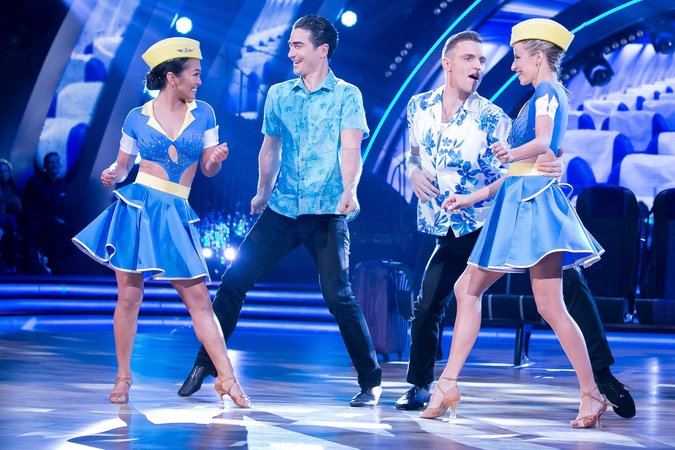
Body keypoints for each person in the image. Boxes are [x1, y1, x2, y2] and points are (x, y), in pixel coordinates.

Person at [398, 30, 635, 419]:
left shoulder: (506, 110)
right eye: (470, 58)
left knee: (550, 299)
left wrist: (538, 159)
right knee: (480, 297)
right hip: (477, 213)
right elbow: (416, 153)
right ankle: (439, 384)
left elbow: (542, 145)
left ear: (537, 57)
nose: (489, 66)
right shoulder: (419, 105)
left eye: (486, 59)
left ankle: (598, 383)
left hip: (516, 209)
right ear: (447, 63)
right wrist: (422, 175)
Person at [177, 14, 383, 407]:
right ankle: (206, 365)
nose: (290, 53)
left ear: (322, 50)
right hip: (283, 208)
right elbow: (269, 149)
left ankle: (370, 382)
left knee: (338, 296)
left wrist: (350, 190)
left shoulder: (347, 95)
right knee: (234, 282)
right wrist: (261, 193)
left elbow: (350, 150)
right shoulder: (279, 94)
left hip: (326, 211)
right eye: (289, 45)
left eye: (298, 45)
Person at [72, 37, 250, 409]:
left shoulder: (204, 114)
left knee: (199, 300)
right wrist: (112, 172)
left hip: (175, 211)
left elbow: (207, 169)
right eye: (195, 74)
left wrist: (216, 159)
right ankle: (123, 376)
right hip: (138, 208)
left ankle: (227, 378)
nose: (199, 81)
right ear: (172, 77)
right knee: (129, 297)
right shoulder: (137, 117)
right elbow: (124, 166)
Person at [21, 151, 70, 274]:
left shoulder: (61, 185)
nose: (54, 165)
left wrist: (60, 218)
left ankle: (59, 260)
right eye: (51, 162)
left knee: (77, 234)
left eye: (56, 162)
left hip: (57, 222)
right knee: (52, 227)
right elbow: (29, 208)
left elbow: (62, 208)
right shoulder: (35, 182)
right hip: (39, 222)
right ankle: (54, 264)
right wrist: (50, 218)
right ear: (45, 166)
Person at [0, 159, 22, 273]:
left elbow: (18, 209)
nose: (3, 174)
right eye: (0, 171)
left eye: (5, 171)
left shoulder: (12, 189)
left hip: (9, 222)